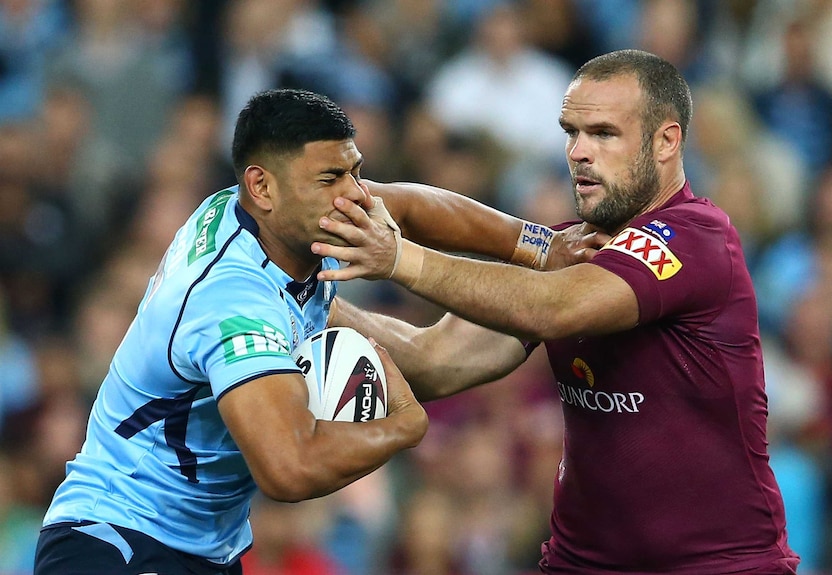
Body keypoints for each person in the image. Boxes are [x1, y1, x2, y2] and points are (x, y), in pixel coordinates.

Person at [33, 88, 597, 574]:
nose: (354, 193)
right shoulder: (234, 301)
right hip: (117, 541)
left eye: (354, 170)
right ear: (263, 187)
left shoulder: (275, 224)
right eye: (332, 178)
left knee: (430, 360)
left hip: (202, 549)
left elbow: (415, 208)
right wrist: (403, 431)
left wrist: (544, 249)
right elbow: (289, 468)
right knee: (423, 369)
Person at [315, 50, 802, 573]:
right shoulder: (576, 250)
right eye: (571, 132)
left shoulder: (697, 240)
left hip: (719, 566)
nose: (578, 152)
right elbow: (432, 361)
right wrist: (312, 296)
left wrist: (399, 259)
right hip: (581, 563)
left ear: (667, 141)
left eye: (604, 134)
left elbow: (554, 308)